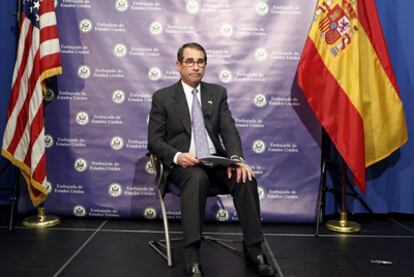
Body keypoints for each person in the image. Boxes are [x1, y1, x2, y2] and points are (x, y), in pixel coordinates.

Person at [148, 42, 276, 277]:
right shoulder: (163, 97)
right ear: (179, 65)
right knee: (196, 178)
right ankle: (192, 255)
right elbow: (154, 142)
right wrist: (177, 156)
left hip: (214, 161)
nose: (196, 67)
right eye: (190, 62)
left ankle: (255, 249)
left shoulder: (217, 94)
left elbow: (229, 130)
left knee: (243, 177)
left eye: (200, 62)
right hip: (183, 165)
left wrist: (236, 159)